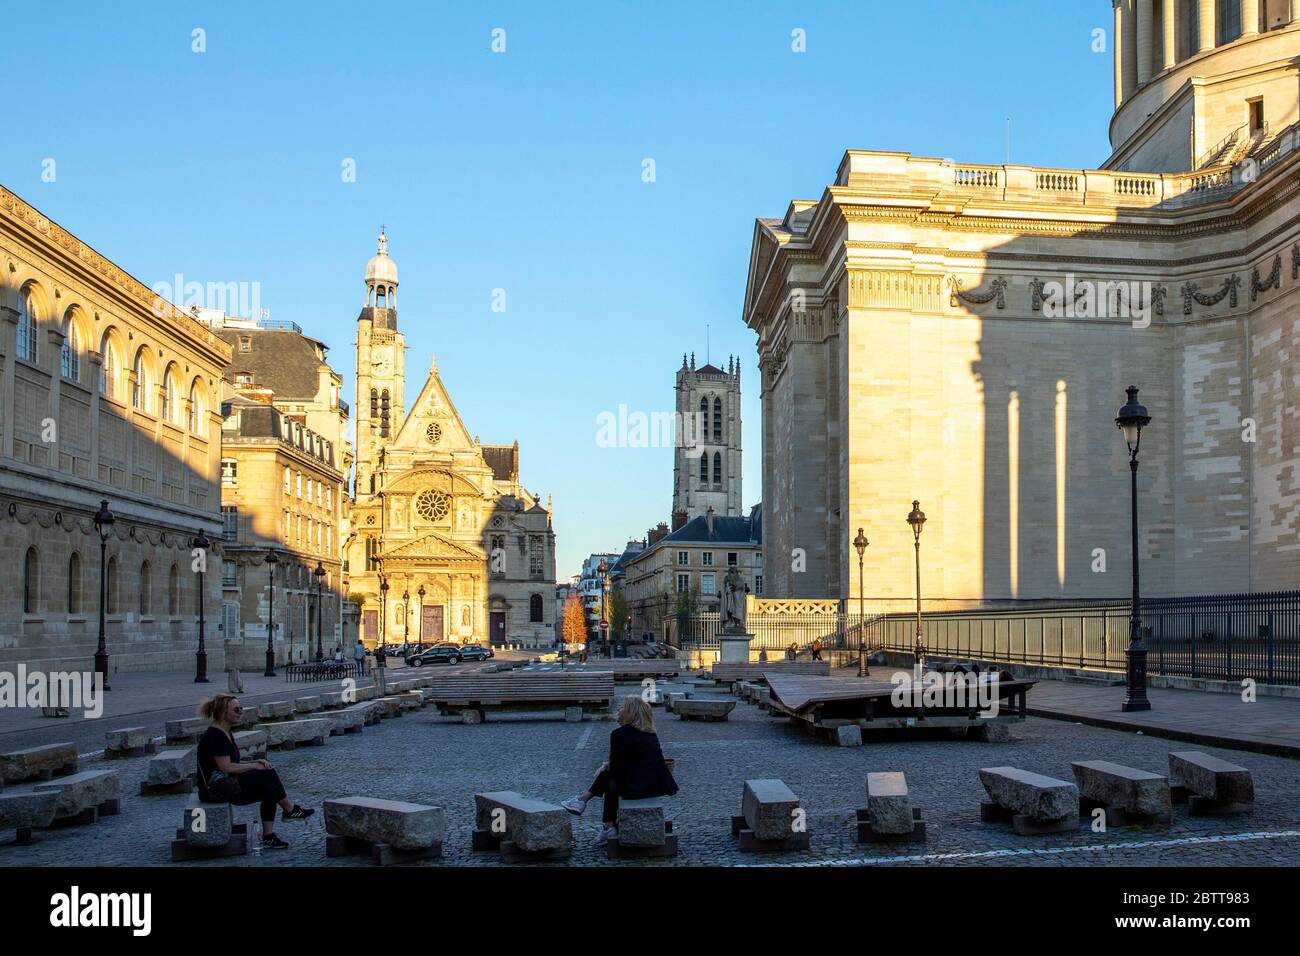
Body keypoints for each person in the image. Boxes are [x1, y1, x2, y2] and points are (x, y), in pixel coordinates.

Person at [195, 694, 314, 850]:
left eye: (241, 708)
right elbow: (226, 767)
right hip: (214, 790)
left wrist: (255, 762)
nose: (240, 712)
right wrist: (253, 766)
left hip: (226, 783)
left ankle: (269, 836)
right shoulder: (216, 736)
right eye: (236, 709)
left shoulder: (224, 732)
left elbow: (231, 764)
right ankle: (289, 809)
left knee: (270, 788)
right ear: (224, 712)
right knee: (268, 774)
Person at [561, 696, 678, 846]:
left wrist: (606, 766)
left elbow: (616, 767)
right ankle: (602, 821)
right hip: (654, 785)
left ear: (631, 713)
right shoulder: (650, 733)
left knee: (610, 779)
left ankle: (585, 802)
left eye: (623, 707)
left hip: (637, 787)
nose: (619, 709)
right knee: (611, 779)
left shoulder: (619, 734)